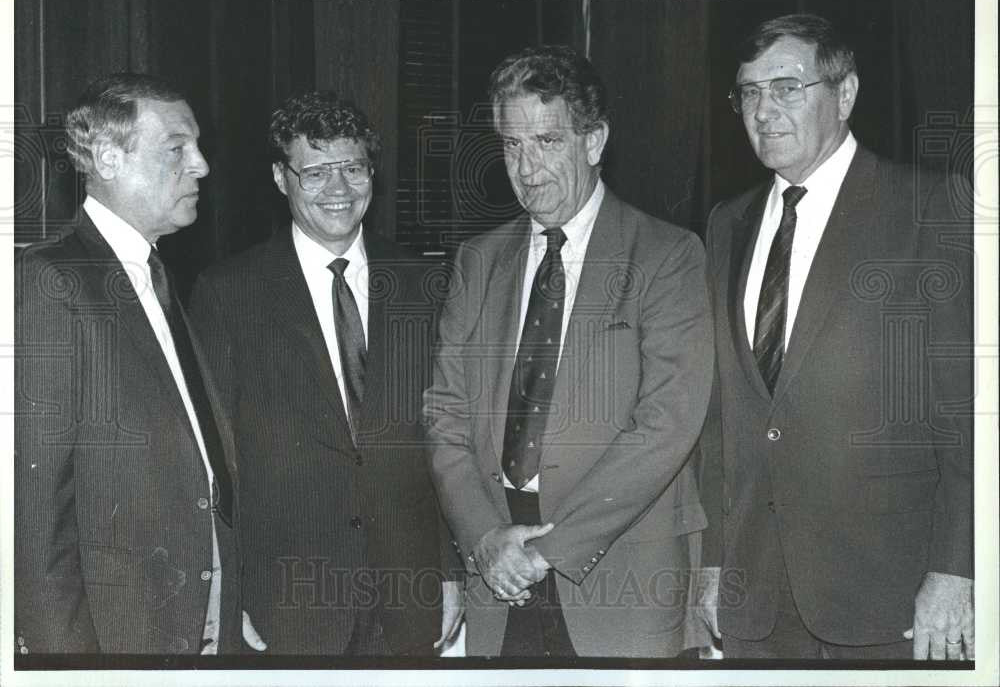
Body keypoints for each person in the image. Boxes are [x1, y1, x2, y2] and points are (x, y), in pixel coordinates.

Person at [696, 13, 974, 660]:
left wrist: (957, 569)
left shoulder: (928, 209)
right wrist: (712, 564)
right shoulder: (726, 225)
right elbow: (719, 422)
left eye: (788, 87)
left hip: (891, 594)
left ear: (844, 94)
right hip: (756, 597)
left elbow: (968, 412)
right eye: (749, 92)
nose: (765, 110)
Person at [424, 45, 714, 658]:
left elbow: (666, 425)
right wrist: (484, 541)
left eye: (548, 142)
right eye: (511, 145)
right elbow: (445, 417)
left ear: (594, 140)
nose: (527, 169)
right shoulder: (478, 261)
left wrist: (544, 552)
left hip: (617, 572)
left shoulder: (666, 255)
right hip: (497, 572)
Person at [188, 90, 462, 656]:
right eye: (315, 172)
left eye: (352, 168)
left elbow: (443, 439)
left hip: (408, 591)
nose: (338, 190)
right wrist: (232, 588)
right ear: (280, 178)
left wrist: (448, 566)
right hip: (286, 597)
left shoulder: (423, 285)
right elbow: (215, 458)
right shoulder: (228, 292)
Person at [14, 73, 250, 654]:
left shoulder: (157, 273)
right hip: (123, 629)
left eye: (196, 146)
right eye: (177, 148)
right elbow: (36, 511)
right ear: (108, 159)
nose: (201, 166)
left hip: (196, 611)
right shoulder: (53, 280)